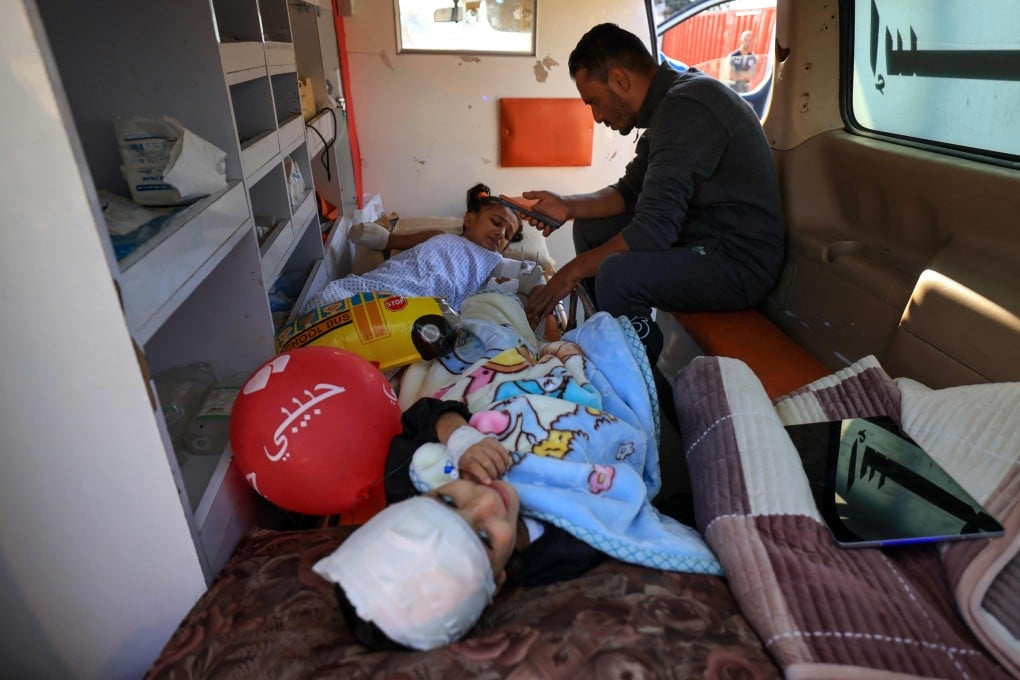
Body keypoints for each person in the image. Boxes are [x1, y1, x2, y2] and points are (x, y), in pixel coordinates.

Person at [311, 312, 723, 651]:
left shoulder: (411, 479)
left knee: (586, 330)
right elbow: (633, 520)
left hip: (516, 393)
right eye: (486, 538)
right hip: (585, 418)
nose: (487, 501)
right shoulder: (563, 552)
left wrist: (460, 436)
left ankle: (552, 340)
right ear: (499, 580)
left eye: (450, 503)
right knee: (642, 335)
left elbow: (421, 415)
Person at [518, 23, 785, 365]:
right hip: (701, 238)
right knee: (590, 228)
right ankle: (610, 338)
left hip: (738, 261)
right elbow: (630, 193)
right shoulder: (672, 104)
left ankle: (637, 381)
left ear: (619, 80)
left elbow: (654, 230)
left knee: (618, 274)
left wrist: (570, 272)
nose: (597, 116)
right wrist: (568, 207)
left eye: (595, 102)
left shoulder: (688, 108)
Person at [303, 183, 546, 314]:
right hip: (391, 281)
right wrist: (380, 237)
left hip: (425, 305)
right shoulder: (439, 236)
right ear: (469, 219)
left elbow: (532, 275)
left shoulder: (493, 261)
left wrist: (538, 304)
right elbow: (393, 242)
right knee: (326, 299)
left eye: (508, 235)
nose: (500, 234)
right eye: (496, 222)